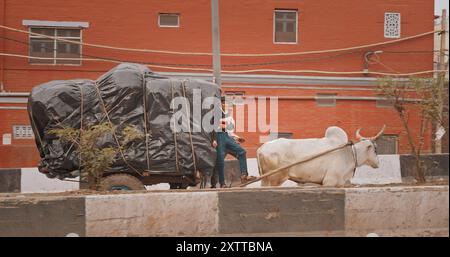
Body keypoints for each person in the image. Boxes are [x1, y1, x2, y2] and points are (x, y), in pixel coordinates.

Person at [211, 96, 256, 188]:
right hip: (219, 137)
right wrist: (214, 139)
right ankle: (221, 183)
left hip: (226, 137)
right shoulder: (216, 113)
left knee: (242, 152)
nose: (225, 105)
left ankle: (244, 175)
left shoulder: (230, 118)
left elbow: (229, 132)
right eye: (223, 103)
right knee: (220, 162)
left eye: (227, 104)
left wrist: (237, 138)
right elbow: (213, 128)